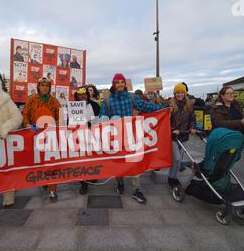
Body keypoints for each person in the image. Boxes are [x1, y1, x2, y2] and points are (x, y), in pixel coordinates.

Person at [99, 73, 166, 203]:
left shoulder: (132, 97)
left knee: (135, 162)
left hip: (131, 136)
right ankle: (120, 183)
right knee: (118, 162)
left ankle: (136, 189)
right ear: (114, 84)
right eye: (117, 82)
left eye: (121, 82)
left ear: (125, 84)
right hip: (116, 138)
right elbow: (102, 117)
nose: (120, 84)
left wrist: (162, 109)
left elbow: (146, 106)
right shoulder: (107, 101)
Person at [22, 77, 62, 202]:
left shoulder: (54, 101)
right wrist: (27, 124)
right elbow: (25, 114)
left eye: (47, 85)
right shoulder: (31, 100)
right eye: (42, 85)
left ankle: (52, 190)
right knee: (40, 161)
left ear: (50, 87)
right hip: (36, 134)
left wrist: (56, 124)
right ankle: (45, 180)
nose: (44, 87)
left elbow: (60, 116)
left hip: (51, 136)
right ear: (38, 86)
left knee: (51, 162)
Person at [73, 87, 101, 195]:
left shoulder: (95, 105)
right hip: (79, 137)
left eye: (84, 94)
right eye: (80, 95)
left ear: (87, 95)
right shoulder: (73, 106)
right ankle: (83, 183)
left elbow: (101, 119)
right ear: (77, 96)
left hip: (93, 136)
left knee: (93, 158)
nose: (82, 96)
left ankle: (93, 175)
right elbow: (68, 122)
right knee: (81, 161)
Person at [168, 83, 196, 187]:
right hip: (173, 136)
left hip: (183, 136)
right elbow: (166, 121)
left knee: (176, 160)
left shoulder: (189, 105)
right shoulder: (171, 105)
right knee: (177, 158)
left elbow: (192, 118)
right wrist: (172, 130)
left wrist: (192, 128)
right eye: (178, 92)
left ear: (185, 93)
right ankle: (172, 178)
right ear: (174, 93)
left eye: (182, 92)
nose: (180, 94)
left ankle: (173, 177)